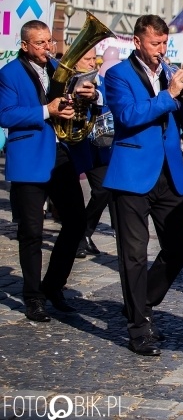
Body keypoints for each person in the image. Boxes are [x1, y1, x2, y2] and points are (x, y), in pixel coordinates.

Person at [103, 15, 183, 356]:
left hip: (169, 173)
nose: (160, 50)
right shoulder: (118, 75)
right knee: (133, 255)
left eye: (164, 44)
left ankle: (141, 301)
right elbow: (128, 116)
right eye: (154, 44)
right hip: (131, 174)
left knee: (179, 247)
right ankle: (139, 329)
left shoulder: (169, 74)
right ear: (137, 42)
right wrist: (170, 94)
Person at [0, 20, 98, 322]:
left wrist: (87, 98)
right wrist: (47, 110)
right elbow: (5, 114)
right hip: (29, 157)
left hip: (60, 154)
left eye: (49, 42)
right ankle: (33, 297)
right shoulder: (9, 73)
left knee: (76, 221)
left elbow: (75, 103)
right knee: (31, 231)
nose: (47, 48)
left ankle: (54, 285)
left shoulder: (59, 67)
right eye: (40, 43)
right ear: (25, 45)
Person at [69, 47, 114, 258]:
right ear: (75, 60)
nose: (92, 64)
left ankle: (85, 233)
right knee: (72, 198)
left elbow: (108, 97)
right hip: (76, 143)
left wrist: (96, 95)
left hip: (99, 142)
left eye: (94, 59)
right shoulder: (68, 80)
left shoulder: (99, 79)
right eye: (87, 59)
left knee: (104, 189)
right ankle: (77, 238)